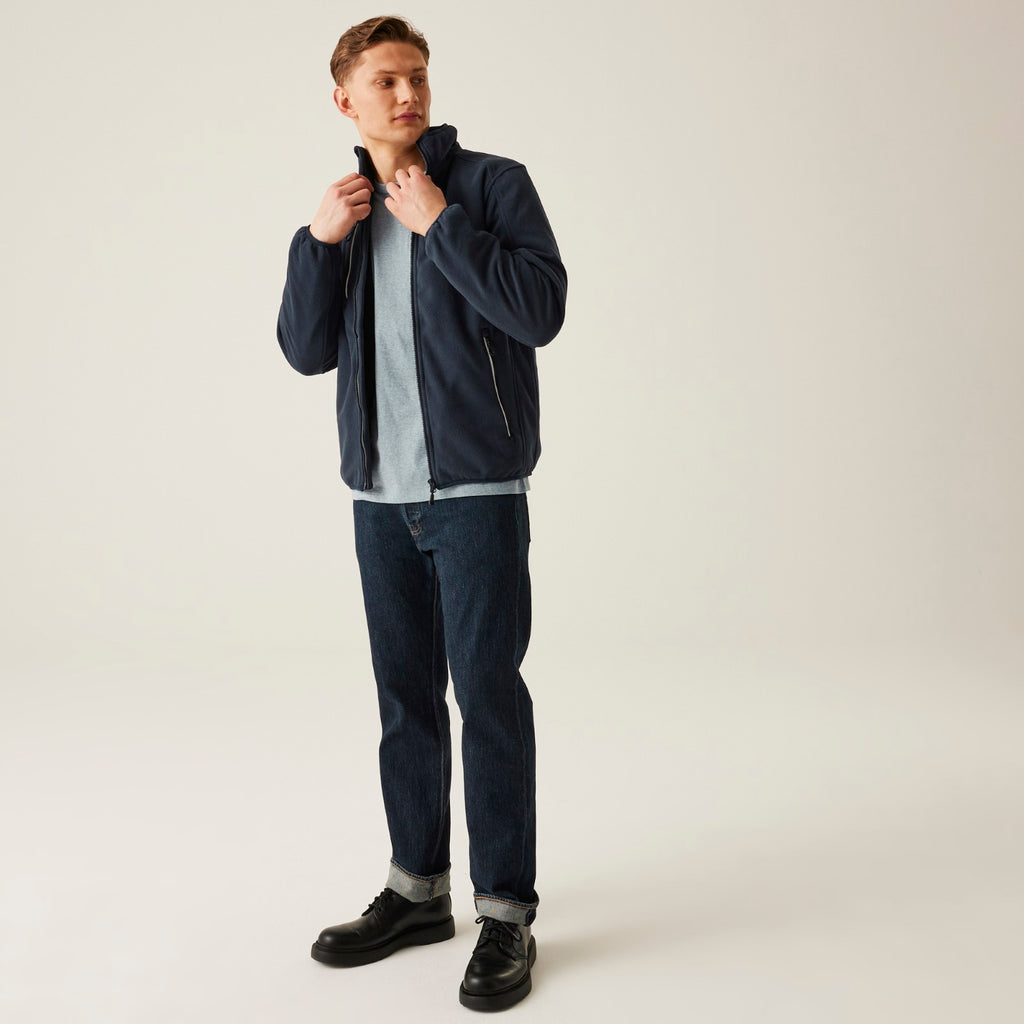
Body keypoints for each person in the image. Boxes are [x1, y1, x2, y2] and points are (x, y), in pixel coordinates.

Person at [276, 15, 566, 1012]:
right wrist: (317, 243)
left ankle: (506, 913)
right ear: (344, 100)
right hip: (379, 497)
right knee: (404, 699)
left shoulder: (489, 186)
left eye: (418, 78)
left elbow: (539, 311)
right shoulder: (347, 210)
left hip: (477, 492)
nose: (407, 95)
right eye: (386, 81)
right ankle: (416, 892)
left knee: (487, 697)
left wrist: (443, 222)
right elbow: (305, 350)